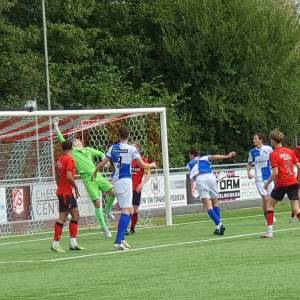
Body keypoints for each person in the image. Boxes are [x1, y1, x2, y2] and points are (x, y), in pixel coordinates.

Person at [93, 126, 156, 250]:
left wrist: (95, 171)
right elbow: (143, 165)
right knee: (127, 211)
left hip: (116, 181)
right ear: (128, 136)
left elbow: (101, 165)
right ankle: (118, 241)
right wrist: (152, 165)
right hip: (125, 180)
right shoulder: (131, 149)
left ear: (118, 135)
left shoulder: (113, 148)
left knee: (128, 210)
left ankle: (122, 238)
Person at [53, 118, 114, 239]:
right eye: (73, 142)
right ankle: (105, 228)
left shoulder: (88, 150)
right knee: (97, 204)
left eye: (76, 141)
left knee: (113, 193)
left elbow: (102, 154)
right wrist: (56, 127)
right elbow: (62, 139)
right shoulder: (73, 152)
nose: (74, 142)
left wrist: (104, 162)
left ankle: (108, 209)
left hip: (98, 176)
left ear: (81, 143)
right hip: (88, 180)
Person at [187, 148, 236, 235]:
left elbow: (192, 178)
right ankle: (218, 228)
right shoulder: (204, 158)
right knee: (215, 203)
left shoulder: (190, 164)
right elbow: (214, 157)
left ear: (191, 155)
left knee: (207, 205)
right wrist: (227, 156)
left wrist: (192, 190)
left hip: (200, 179)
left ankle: (219, 224)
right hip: (211, 177)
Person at [262, 129, 300, 238]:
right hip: (293, 182)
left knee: (269, 205)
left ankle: (269, 232)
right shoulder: (290, 151)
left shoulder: (274, 154)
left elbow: (275, 173)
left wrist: (267, 184)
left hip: (282, 184)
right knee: (296, 209)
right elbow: (298, 165)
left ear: (273, 140)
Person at [51, 140, 84, 253]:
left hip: (65, 191)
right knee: (63, 217)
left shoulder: (60, 159)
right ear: (72, 148)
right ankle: (55, 244)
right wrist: (76, 187)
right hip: (66, 192)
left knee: (75, 215)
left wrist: (60, 186)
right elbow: (69, 177)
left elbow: (57, 175)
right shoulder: (70, 159)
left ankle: (73, 243)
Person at [247, 133, 275, 223]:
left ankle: (271, 214)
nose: (254, 140)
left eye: (255, 138)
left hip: (269, 176)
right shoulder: (252, 152)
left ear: (261, 139)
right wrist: (248, 172)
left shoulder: (269, 149)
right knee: (265, 198)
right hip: (258, 177)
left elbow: (274, 159)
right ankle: (267, 217)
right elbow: (249, 163)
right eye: (253, 138)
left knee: (272, 198)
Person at [125, 143, 151, 235]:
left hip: (137, 189)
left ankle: (132, 228)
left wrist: (142, 184)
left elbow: (148, 173)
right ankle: (125, 228)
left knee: (135, 210)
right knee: (128, 209)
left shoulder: (143, 160)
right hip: (127, 187)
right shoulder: (127, 159)